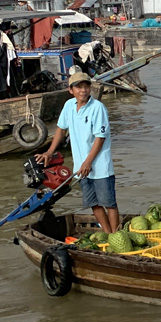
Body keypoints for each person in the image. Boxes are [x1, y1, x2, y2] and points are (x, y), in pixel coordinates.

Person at [37, 72, 119, 233]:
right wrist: (49, 152)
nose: (83, 90)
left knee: (109, 203)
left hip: (100, 166)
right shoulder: (69, 106)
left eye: (86, 86)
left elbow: (100, 138)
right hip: (80, 167)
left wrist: (88, 162)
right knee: (93, 203)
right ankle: (108, 234)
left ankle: (116, 234)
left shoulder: (97, 108)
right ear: (71, 90)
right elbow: (61, 129)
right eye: (79, 87)